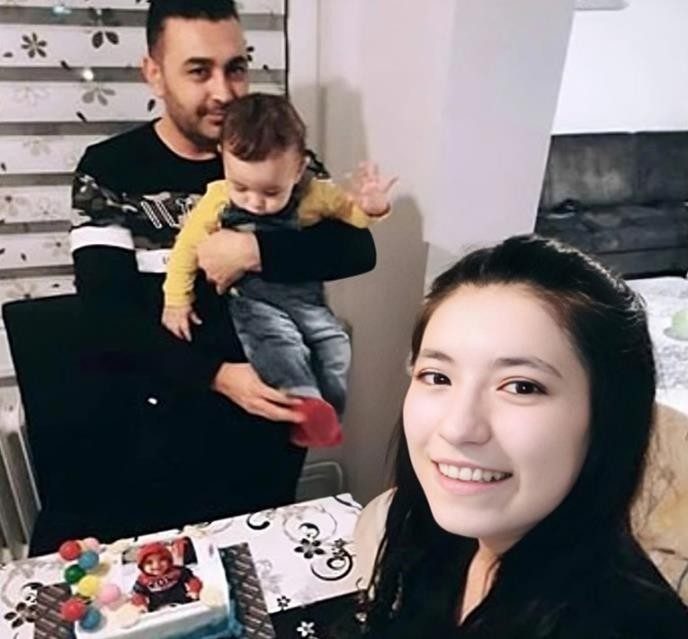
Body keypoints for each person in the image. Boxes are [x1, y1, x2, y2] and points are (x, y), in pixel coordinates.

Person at [31, 0, 376, 555]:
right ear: (154, 72)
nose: (224, 91)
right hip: (156, 428)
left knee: (262, 571)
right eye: (199, 71)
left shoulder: (274, 150)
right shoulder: (110, 169)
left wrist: (253, 249)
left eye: (236, 68)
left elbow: (355, 248)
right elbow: (106, 315)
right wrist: (218, 376)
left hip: (266, 430)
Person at [352, 235, 688, 638]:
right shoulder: (436, 532)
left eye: (521, 387)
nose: (457, 428)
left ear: (609, 416)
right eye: (437, 377)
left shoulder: (629, 624)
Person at [162, 93, 394, 448]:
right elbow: (185, 251)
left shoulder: (315, 194)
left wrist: (372, 206)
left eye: (271, 192)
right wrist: (177, 301)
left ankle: (326, 414)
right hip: (254, 301)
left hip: (305, 298)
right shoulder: (217, 199)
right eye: (241, 187)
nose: (255, 202)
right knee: (280, 344)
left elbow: (355, 227)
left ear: (298, 169)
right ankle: (304, 403)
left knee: (335, 345)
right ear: (223, 158)